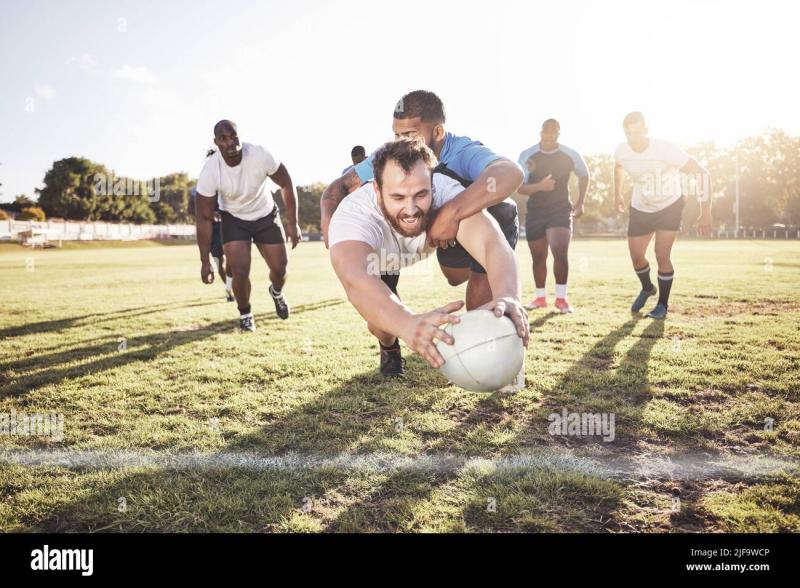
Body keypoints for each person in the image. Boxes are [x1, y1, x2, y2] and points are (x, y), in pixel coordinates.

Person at [328, 138, 529, 379]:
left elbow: (491, 243)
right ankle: (389, 347)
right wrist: (406, 323)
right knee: (383, 327)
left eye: (421, 194)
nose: (411, 209)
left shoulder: (445, 189)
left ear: (432, 185)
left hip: (416, 246)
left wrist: (508, 294)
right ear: (377, 191)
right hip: (378, 258)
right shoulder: (354, 215)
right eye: (398, 197)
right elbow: (355, 277)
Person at [321, 90, 523, 312]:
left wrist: (450, 213)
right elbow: (341, 185)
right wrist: (329, 221)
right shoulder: (395, 155)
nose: (401, 142)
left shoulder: (462, 151)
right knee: (452, 277)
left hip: (482, 222)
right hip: (441, 236)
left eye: (409, 134)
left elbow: (509, 172)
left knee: (480, 306)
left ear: (437, 131)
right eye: (396, 135)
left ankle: (496, 292)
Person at [195, 120, 302, 331]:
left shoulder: (260, 154)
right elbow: (204, 218)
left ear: (239, 136)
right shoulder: (210, 171)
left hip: (265, 214)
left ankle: (277, 292)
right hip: (234, 219)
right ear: (216, 142)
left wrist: (293, 222)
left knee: (280, 268)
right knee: (240, 270)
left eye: (233, 136)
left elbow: (286, 183)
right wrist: (204, 260)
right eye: (223, 138)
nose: (230, 142)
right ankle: (245, 313)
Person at [614, 112, 712, 319]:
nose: (633, 138)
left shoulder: (665, 149)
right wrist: (618, 193)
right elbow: (619, 167)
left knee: (661, 254)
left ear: (646, 131)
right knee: (636, 256)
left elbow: (702, 173)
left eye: (638, 133)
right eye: (628, 133)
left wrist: (706, 213)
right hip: (641, 207)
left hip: (669, 205)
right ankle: (648, 288)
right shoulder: (622, 151)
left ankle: (662, 306)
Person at [518, 119, 590, 313]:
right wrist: (539, 187)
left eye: (553, 131)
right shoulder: (527, 155)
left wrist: (581, 201)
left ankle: (561, 298)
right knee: (539, 256)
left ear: (559, 133)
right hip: (536, 211)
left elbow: (584, 174)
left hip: (560, 210)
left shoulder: (570, 155)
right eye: (545, 130)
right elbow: (520, 187)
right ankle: (540, 298)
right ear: (540, 131)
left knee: (559, 249)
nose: (549, 134)